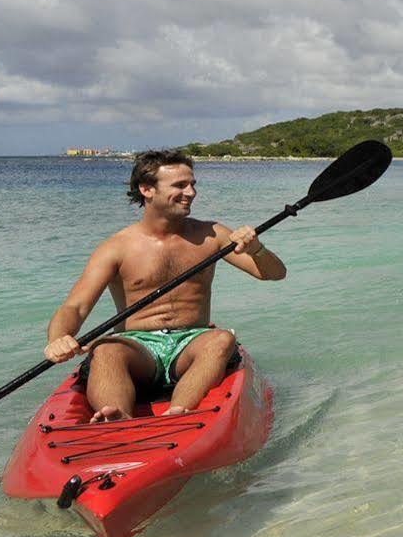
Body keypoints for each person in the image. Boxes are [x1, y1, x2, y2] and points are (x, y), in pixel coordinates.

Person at [43, 150, 286, 422]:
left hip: (192, 343)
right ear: (146, 189)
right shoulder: (116, 247)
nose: (191, 192)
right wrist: (58, 338)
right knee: (105, 349)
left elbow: (274, 274)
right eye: (180, 185)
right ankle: (115, 416)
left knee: (221, 339)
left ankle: (177, 412)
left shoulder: (212, 235)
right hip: (137, 348)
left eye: (193, 184)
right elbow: (75, 307)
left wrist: (257, 249)